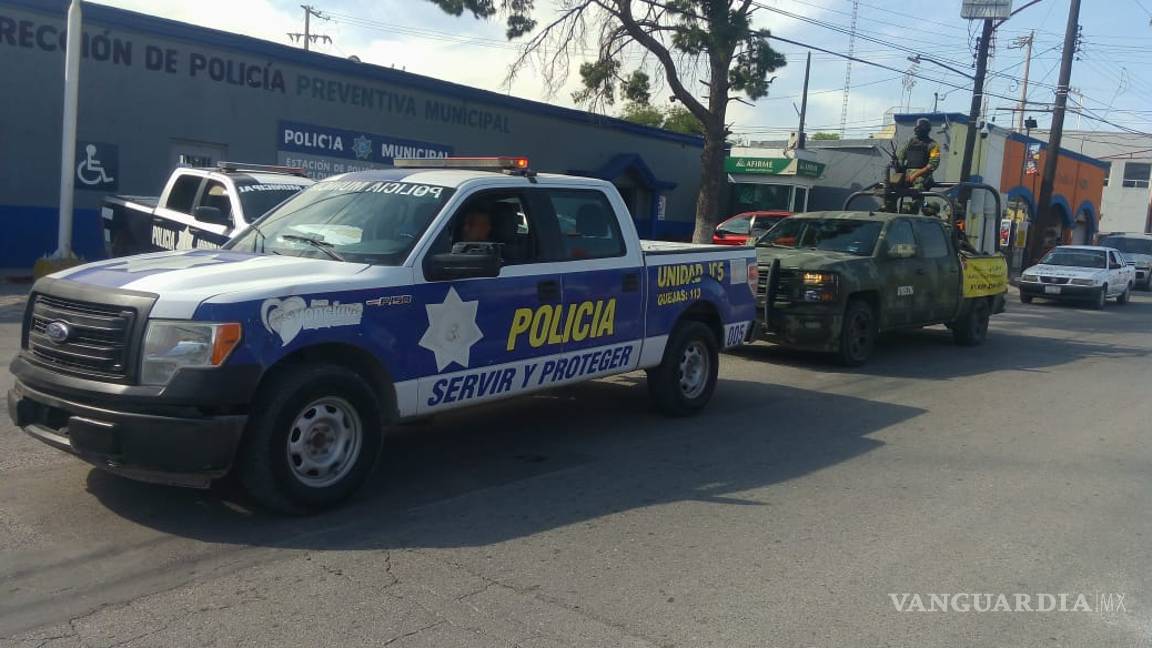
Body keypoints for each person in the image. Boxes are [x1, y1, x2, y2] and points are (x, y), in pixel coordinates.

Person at [895, 117, 941, 213]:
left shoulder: (933, 145)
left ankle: (912, 209)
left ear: (926, 129)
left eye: (919, 128)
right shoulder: (910, 142)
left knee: (918, 188)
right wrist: (898, 167)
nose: (916, 130)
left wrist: (915, 175)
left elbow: (932, 165)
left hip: (923, 176)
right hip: (907, 174)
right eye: (916, 128)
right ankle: (889, 208)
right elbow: (901, 157)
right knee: (889, 186)